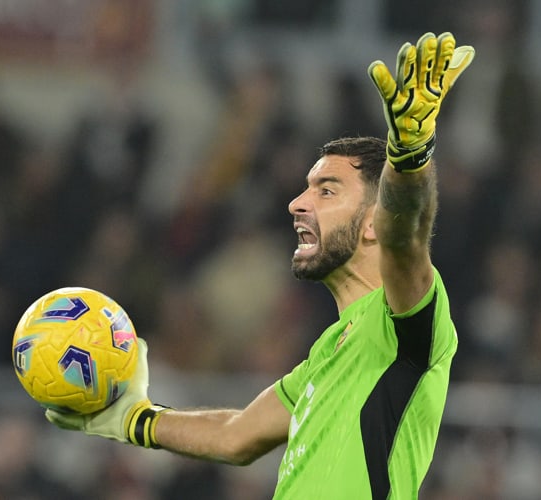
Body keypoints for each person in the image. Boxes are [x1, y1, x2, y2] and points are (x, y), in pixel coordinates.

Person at [46, 31, 475, 498]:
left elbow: (406, 232)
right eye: (305, 188)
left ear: (372, 223)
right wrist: (132, 419)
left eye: (326, 190)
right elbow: (236, 434)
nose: (296, 203)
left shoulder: (404, 323)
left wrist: (410, 161)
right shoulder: (329, 353)